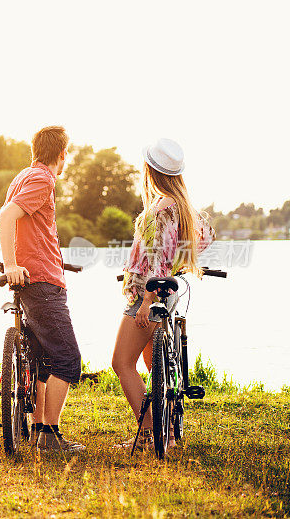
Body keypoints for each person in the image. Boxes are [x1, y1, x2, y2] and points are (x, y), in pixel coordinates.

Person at [111, 138, 215, 451]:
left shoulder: (154, 215)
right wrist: (178, 265)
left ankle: (146, 435)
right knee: (152, 363)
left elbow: (154, 265)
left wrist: (145, 301)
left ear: (150, 172)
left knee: (121, 363)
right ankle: (166, 432)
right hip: (170, 295)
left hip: (149, 297)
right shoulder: (186, 211)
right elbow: (206, 239)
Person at [0, 125, 84, 451]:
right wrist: (11, 265)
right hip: (42, 283)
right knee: (68, 362)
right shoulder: (42, 179)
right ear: (62, 155)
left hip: (39, 278)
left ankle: (42, 433)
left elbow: (28, 229)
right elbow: (5, 217)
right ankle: (48, 434)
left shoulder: (23, 176)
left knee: (45, 362)